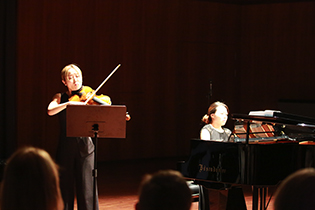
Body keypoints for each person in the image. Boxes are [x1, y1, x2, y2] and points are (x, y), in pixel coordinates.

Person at [47, 64, 110, 210]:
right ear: (64, 81)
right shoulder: (60, 97)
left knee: (87, 188)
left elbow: (106, 107)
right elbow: (50, 111)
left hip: (86, 146)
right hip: (65, 146)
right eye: (71, 77)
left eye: (78, 76)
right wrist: (69, 103)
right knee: (64, 187)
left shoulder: (89, 95)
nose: (75, 80)